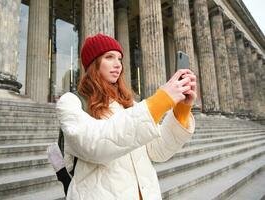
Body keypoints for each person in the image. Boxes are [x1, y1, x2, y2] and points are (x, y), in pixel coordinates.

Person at [56, 33, 196, 200]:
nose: (118, 65)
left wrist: (182, 110)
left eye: (120, 58)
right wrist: (160, 101)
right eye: (109, 57)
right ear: (93, 63)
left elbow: (159, 151)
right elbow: (94, 144)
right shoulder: (71, 102)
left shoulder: (130, 105)